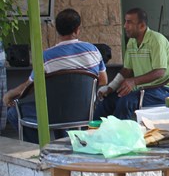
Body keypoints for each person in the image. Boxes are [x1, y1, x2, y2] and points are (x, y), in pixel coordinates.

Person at [3, 8, 107, 143]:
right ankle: (68, 142)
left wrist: (10, 94)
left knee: (14, 113)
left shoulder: (46, 57)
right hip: (85, 112)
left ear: (56, 30)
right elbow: (103, 80)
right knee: (62, 107)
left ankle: (39, 149)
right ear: (77, 29)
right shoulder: (93, 51)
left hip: (53, 115)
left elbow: (30, 87)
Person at [94, 8, 169, 120]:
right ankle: (95, 134)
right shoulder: (132, 42)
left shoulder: (157, 40)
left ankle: (120, 135)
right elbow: (127, 70)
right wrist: (110, 87)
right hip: (140, 90)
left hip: (161, 91)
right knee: (107, 101)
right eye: (125, 21)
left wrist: (133, 81)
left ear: (142, 26)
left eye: (129, 22)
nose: (125, 26)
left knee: (126, 101)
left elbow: (160, 72)